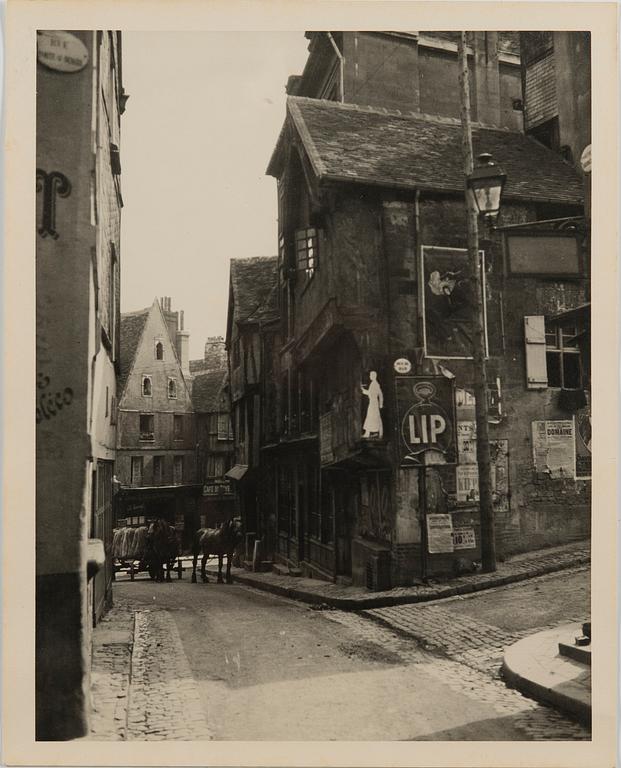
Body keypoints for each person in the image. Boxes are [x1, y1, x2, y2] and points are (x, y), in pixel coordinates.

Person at [361, 371, 384, 438]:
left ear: (374, 376)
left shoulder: (375, 384)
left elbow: (379, 394)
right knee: (373, 416)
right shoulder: (374, 383)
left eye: (371, 375)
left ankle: (372, 433)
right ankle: (375, 432)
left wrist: (381, 404)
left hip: (373, 403)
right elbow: (372, 393)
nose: (370, 376)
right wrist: (363, 390)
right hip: (373, 402)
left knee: (373, 416)